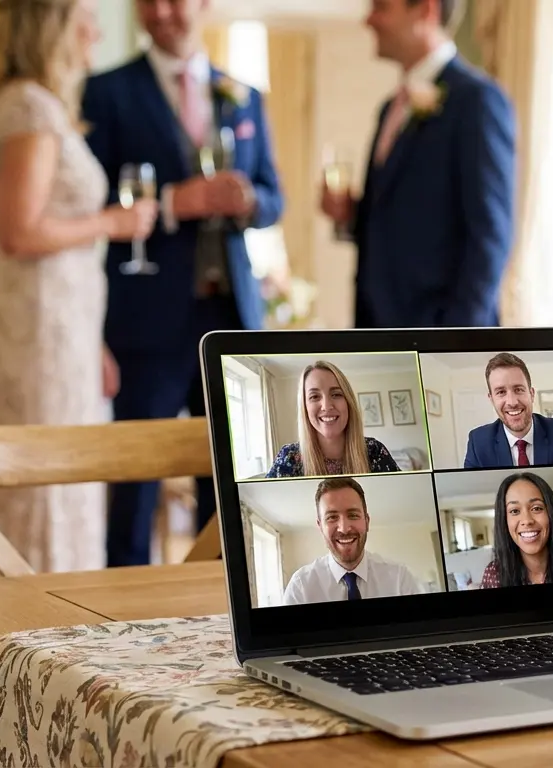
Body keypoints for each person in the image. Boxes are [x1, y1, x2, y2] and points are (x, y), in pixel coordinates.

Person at [82, 0, 285, 566]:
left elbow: (275, 196)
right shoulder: (106, 91)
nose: (162, 12)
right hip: (145, 319)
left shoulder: (243, 94)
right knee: (136, 478)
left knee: (222, 479)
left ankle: (213, 603)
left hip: (230, 319)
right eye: (148, 2)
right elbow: (87, 200)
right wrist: (174, 202)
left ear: (204, 6)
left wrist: (250, 202)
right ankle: (118, 612)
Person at [0, 0, 158, 572]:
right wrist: (114, 222)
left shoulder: (34, 103)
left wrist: (92, 342)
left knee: (65, 487)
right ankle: (35, 633)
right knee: (46, 487)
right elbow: (18, 232)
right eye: (87, 17)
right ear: (55, 27)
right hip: (41, 338)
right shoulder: (30, 107)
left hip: (59, 329)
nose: (98, 30)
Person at [320, 0, 515, 329]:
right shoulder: (389, 109)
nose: (369, 20)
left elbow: (490, 234)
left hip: (438, 335)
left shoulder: (477, 101)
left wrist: (455, 341)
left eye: (382, 7)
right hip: (378, 332)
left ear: (425, 11)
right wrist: (352, 215)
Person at [282, 477, 425, 604]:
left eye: (353, 515)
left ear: (367, 522)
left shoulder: (400, 579)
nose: (344, 529)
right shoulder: (300, 587)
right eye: (332, 517)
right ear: (320, 527)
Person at [266, 361, 401, 478]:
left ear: (348, 402)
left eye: (336, 394)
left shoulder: (374, 451)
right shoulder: (288, 457)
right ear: (305, 407)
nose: (326, 406)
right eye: (314, 397)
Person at [462, 353, 553, 468]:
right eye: (501, 392)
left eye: (518, 389)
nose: (512, 402)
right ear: (491, 399)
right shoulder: (478, 442)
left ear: (531, 394)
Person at [477, 473, 553, 588]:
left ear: (551, 514)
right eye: (514, 511)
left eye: (536, 508)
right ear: (504, 521)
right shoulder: (494, 574)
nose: (527, 520)